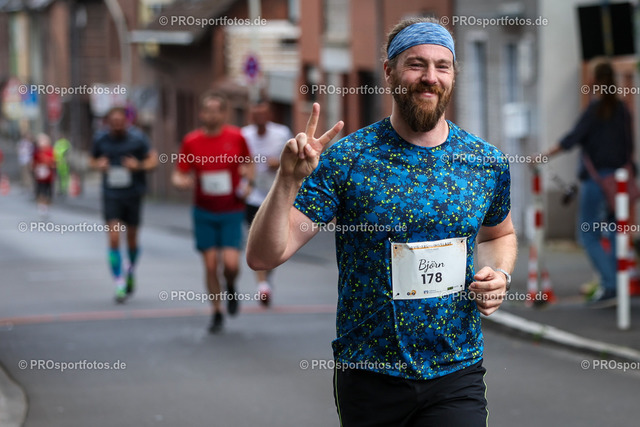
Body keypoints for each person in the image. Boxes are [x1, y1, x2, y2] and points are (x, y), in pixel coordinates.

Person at [246, 17, 516, 426]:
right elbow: (265, 256)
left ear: (453, 75)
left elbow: (499, 234)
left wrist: (498, 274)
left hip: (456, 370)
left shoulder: (484, 161)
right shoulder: (347, 159)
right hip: (369, 374)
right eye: (416, 64)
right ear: (389, 71)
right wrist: (286, 181)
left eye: (442, 66)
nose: (430, 77)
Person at [541, 61, 634, 307]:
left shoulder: (595, 110)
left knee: (588, 233)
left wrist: (544, 155)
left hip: (597, 182)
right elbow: (629, 147)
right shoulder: (623, 110)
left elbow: (572, 139)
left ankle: (610, 285)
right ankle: (618, 286)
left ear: (595, 80)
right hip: (619, 183)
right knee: (615, 232)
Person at [172, 91, 254, 333]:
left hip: (231, 209)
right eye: (207, 110)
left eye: (217, 110)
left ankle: (231, 286)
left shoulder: (236, 137)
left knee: (230, 264)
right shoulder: (191, 141)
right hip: (204, 211)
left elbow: (248, 164)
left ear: (224, 113)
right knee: (210, 265)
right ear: (201, 113)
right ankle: (217, 311)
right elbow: (179, 173)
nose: (212, 115)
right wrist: (181, 182)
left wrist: (248, 183)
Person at [90, 107, 158, 303]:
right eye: (114, 121)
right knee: (113, 237)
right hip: (111, 194)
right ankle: (119, 282)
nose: (117, 124)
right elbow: (92, 159)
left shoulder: (138, 138)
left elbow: (153, 161)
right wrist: (98, 165)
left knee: (132, 239)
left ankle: (130, 270)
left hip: (133, 194)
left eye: (121, 121)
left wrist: (138, 166)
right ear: (108, 122)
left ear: (126, 121)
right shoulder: (100, 139)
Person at [241, 101, 292, 306]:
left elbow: (294, 159)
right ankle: (262, 285)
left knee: (274, 239)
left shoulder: (282, 133)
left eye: (262, 114)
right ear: (251, 116)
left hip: (276, 194)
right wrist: (244, 173)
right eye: (255, 114)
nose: (259, 118)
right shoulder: (244, 135)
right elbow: (238, 161)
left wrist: (279, 163)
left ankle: (267, 276)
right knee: (256, 238)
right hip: (253, 195)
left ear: (269, 114)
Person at [32, 133, 56, 217]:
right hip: (40, 176)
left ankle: (47, 205)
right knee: (41, 190)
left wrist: (48, 162)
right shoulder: (37, 152)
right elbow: (34, 163)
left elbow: (54, 162)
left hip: (48, 176)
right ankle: (42, 206)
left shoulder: (50, 151)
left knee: (48, 191)